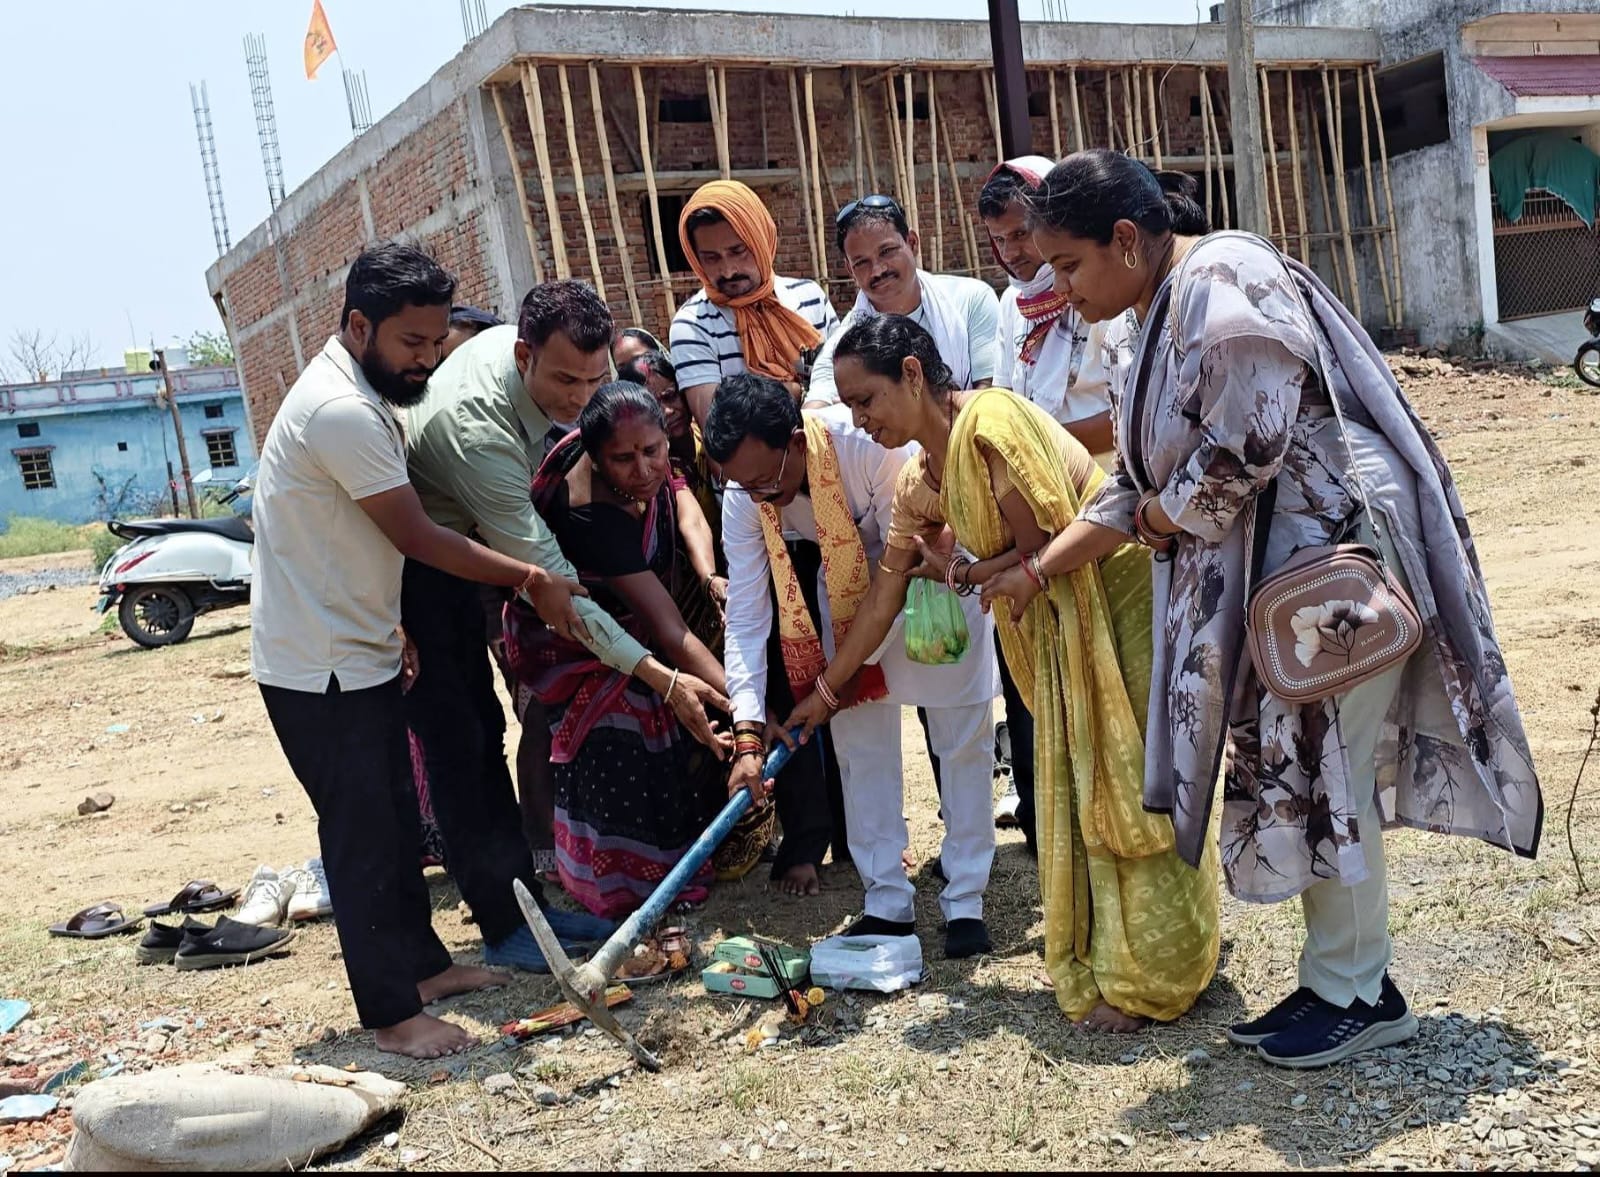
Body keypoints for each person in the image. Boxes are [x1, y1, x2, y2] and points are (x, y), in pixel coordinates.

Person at [1011, 149, 1543, 1066]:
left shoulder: (1223, 280)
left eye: (1067, 264)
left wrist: (1154, 516)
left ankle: (1362, 991)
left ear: (1126, 240)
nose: (1060, 286)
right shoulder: (1160, 309)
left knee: (1332, 772)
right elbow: (1138, 477)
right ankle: (1334, 977)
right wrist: (1040, 564)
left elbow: (1237, 455)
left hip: (1331, 573)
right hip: (1281, 582)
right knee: (1302, 772)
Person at [793, 313, 1220, 1027]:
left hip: (1113, 602)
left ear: (912, 374)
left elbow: (1046, 547)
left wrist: (962, 569)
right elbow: (881, 602)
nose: (860, 420)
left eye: (866, 400)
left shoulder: (990, 427)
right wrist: (828, 693)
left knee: (1129, 784)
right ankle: (1119, 956)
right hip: (1054, 628)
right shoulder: (921, 483)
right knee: (1086, 791)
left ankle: (1164, 970)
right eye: (849, 408)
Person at [250, 244, 577, 1058]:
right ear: (359, 324)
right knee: (362, 833)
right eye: (412, 343)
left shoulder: (367, 387)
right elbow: (419, 535)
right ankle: (391, 1011)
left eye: (436, 342)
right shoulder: (343, 410)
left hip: (354, 644)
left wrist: (388, 623)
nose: (428, 358)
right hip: (316, 664)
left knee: (398, 821)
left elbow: (349, 535)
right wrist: (531, 574)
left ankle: (423, 966)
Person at [404, 279, 730, 969]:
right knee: (463, 739)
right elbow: (561, 596)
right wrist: (662, 677)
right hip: (418, 567)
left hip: (478, 551)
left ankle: (521, 900)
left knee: (486, 730)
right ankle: (506, 924)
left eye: (594, 377)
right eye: (564, 380)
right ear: (523, 355)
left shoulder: (560, 376)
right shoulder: (478, 432)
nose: (582, 399)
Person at [709, 374, 1002, 959]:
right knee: (858, 748)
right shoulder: (746, 493)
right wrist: (746, 732)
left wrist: (831, 680)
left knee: (960, 737)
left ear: (797, 441)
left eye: (769, 479)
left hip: (928, 580)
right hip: (842, 600)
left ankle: (966, 897)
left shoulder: (871, 445)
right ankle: (886, 902)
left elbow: (901, 565)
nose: (761, 496)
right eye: (745, 485)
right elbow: (746, 613)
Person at [502, 382, 757, 916]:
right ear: (596, 458)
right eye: (623, 459)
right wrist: (745, 707)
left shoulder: (658, 460)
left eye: (652, 451)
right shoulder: (589, 511)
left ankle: (677, 857)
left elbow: (684, 505)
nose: (643, 469)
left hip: (631, 623)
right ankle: (619, 882)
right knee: (626, 720)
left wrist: (710, 576)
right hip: (573, 637)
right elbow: (669, 631)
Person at [669, 180, 839, 426]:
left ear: (761, 239)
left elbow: (849, 385)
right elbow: (719, 432)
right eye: (711, 258)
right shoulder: (693, 326)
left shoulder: (809, 298)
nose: (728, 270)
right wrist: (798, 393)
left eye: (738, 251)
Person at [805, 193, 999, 407]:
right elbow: (816, 414)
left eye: (886, 251)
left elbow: (991, 397)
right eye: (862, 263)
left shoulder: (970, 301)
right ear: (850, 270)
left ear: (912, 243)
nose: (877, 270)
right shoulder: (844, 346)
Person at [978, 157, 1114, 464]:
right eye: (998, 240)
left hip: (1104, 480)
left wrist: (1036, 443)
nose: (1009, 253)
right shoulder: (1013, 302)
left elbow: (1131, 417)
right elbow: (1005, 399)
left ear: (1054, 223)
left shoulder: (1104, 294)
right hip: (1039, 477)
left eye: (1021, 234)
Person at [618, 348, 722, 558]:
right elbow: (693, 523)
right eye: (653, 405)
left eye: (670, 396)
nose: (667, 410)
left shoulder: (707, 436)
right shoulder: (654, 469)